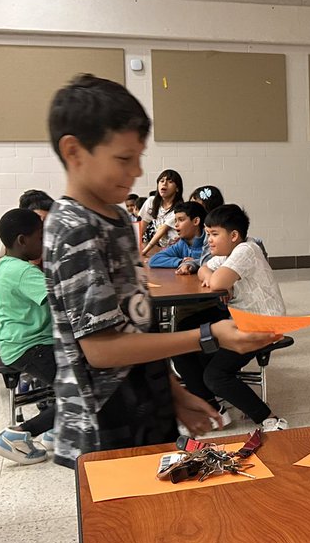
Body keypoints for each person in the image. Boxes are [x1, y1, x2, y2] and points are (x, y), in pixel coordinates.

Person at [43, 74, 276, 468]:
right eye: (123, 159)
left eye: (139, 157)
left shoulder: (117, 218)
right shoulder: (73, 228)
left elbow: (139, 325)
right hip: (103, 421)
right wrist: (207, 335)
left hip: (144, 399)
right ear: (74, 151)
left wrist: (170, 391)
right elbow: (101, 349)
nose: (136, 172)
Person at [174, 203, 288, 432]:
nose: (209, 241)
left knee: (215, 375)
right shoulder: (228, 253)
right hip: (239, 317)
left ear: (234, 235)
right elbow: (204, 268)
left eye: (214, 234)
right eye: (207, 235)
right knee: (185, 331)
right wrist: (210, 274)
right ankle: (213, 407)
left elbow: (215, 282)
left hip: (263, 323)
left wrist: (215, 279)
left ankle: (269, 419)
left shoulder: (247, 250)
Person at [0, 208, 58, 465]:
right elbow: (60, 301)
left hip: (19, 344)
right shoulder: (24, 272)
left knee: (73, 382)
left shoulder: (6, 265)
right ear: (22, 240)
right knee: (81, 391)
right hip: (32, 346)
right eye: (40, 237)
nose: (44, 242)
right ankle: (17, 434)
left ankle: (54, 431)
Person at [138, 169, 185, 259]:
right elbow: (143, 225)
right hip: (163, 248)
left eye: (170, 181)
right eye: (161, 181)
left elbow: (162, 230)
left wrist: (144, 252)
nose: (164, 184)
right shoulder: (151, 201)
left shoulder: (179, 208)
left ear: (177, 188)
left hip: (177, 248)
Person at [148, 201, 206, 271]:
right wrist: (182, 262)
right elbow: (154, 260)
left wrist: (194, 263)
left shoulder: (210, 243)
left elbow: (216, 262)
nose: (176, 225)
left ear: (196, 221)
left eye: (181, 220)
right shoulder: (182, 244)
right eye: (175, 220)